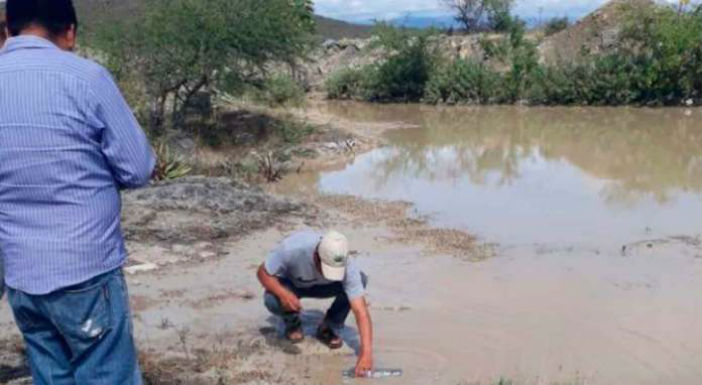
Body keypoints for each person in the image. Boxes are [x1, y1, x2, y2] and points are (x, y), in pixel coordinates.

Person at [0, 1, 155, 384]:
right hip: (85, 268)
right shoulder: (87, 77)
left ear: (10, 27)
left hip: (21, 273)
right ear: (69, 31)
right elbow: (138, 168)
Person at [257, 230, 374, 377]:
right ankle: (292, 323)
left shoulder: (346, 262)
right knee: (271, 299)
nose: (328, 275)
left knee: (360, 280)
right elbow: (262, 272)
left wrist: (366, 354)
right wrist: (283, 294)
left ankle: (329, 326)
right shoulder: (292, 249)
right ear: (316, 256)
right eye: (326, 269)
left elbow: (361, 311)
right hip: (292, 285)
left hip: (324, 288)